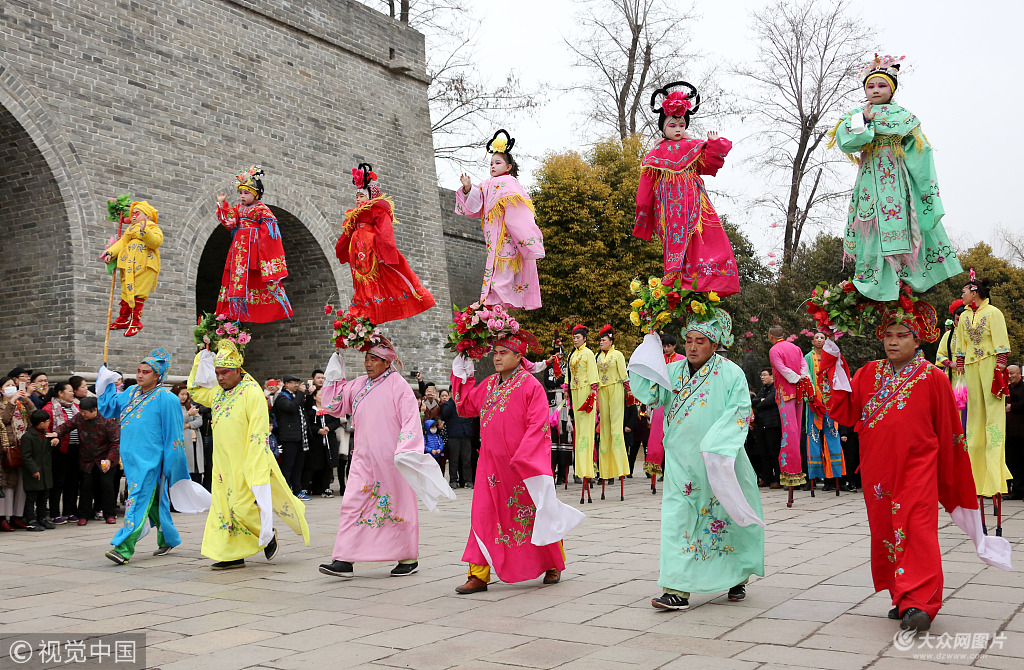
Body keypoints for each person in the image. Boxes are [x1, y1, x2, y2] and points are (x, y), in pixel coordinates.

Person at [823, 305, 1011, 632]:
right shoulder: (868, 372)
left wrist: (951, 477)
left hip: (918, 471)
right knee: (887, 532)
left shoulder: (934, 378)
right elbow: (846, 410)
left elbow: (952, 433)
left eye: (902, 335)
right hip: (878, 473)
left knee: (917, 530)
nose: (893, 342)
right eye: (888, 335)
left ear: (918, 339)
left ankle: (919, 604)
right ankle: (902, 595)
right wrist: (831, 354)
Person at [628, 312, 766, 611]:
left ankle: (736, 575)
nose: (692, 347)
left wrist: (715, 447)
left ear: (714, 344)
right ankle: (676, 588)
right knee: (677, 521)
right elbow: (648, 394)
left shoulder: (732, 374)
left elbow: (740, 413)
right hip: (680, 462)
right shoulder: (672, 371)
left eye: (700, 341)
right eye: (688, 341)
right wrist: (648, 346)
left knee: (726, 520)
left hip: (720, 461)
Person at [449, 330, 586, 594]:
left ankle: (553, 563)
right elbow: (465, 407)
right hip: (489, 466)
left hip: (520, 465)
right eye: (495, 353)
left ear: (519, 356)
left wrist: (525, 458)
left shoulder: (530, 386)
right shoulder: (488, 384)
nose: (497, 358)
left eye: (503, 353)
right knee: (482, 515)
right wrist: (463, 372)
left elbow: (538, 425)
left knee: (536, 512)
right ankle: (478, 573)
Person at [317, 339, 455, 579]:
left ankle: (407, 556)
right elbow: (333, 404)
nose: (368, 364)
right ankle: (344, 558)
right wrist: (336, 368)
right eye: (366, 359)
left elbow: (411, 420)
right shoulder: (358, 384)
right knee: (352, 503)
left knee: (396, 505)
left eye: (374, 360)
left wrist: (406, 449)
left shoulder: (398, 385)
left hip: (392, 460)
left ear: (387, 362)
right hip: (363, 458)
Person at [829, 54, 962, 301]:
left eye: (881, 85)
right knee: (871, 227)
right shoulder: (858, 114)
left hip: (897, 182)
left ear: (892, 89)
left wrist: (922, 189)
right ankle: (872, 281)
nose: (876, 90)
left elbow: (921, 152)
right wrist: (865, 122)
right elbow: (846, 143)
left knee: (903, 225)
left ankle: (904, 281)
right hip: (869, 181)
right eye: (870, 85)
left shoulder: (904, 117)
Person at [187, 341, 309, 569]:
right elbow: (194, 390)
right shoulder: (217, 394)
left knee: (240, 507)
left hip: (246, 461)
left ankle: (267, 533)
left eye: (224, 372)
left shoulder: (251, 392)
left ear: (237, 371)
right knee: (224, 510)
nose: (220, 377)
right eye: (217, 373)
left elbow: (258, 432)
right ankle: (233, 553)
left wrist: (253, 465)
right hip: (222, 464)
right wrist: (201, 358)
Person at [97, 348, 208, 564]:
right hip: (130, 458)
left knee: (137, 500)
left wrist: (172, 465)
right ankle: (169, 537)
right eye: (138, 370)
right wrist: (106, 382)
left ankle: (124, 547)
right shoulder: (130, 392)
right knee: (154, 499)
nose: (140, 375)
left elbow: (174, 436)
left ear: (157, 376)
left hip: (151, 460)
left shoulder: (167, 399)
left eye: (146, 372)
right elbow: (109, 408)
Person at [633, 81, 738, 295]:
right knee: (675, 243)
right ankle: (678, 280)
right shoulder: (655, 154)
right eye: (672, 125)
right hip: (669, 208)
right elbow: (644, 190)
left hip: (696, 206)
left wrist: (713, 143)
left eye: (681, 125)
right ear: (663, 126)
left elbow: (709, 163)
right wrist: (644, 216)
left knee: (706, 241)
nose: (678, 129)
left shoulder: (694, 147)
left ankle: (705, 280)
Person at [455, 129, 545, 310]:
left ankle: (497, 309)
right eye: (491, 163)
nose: (493, 166)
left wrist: (526, 239)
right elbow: (476, 204)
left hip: (506, 237)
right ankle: (493, 308)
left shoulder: (509, 183)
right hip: (492, 240)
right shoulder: (487, 184)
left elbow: (519, 214)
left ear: (508, 167)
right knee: (495, 272)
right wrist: (467, 188)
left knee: (502, 275)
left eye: (498, 163)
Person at [336, 164, 435, 323]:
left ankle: (374, 310)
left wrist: (385, 252)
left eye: (361, 196)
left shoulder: (377, 209)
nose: (357, 199)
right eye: (356, 196)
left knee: (377, 280)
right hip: (358, 252)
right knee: (361, 284)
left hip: (371, 250)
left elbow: (385, 231)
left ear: (370, 197)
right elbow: (345, 235)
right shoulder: (353, 216)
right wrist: (341, 249)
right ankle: (363, 311)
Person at [955, 274, 1013, 506]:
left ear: (975, 292)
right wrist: (960, 365)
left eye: (964, 291)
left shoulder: (994, 313)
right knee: (974, 421)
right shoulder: (964, 316)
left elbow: (1002, 345)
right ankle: (974, 478)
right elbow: (960, 345)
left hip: (990, 366)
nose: (962, 295)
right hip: (970, 367)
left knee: (993, 419)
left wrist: (1000, 371)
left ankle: (995, 477)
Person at [214, 165, 293, 323]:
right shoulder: (238, 209)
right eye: (240, 193)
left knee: (254, 278)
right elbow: (230, 222)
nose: (242, 196)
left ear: (256, 194)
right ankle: (235, 311)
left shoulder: (262, 210)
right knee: (237, 278)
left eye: (246, 193)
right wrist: (222, 205)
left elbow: (271, 234)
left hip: (253, 249)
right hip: (239, 250)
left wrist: (264, 254)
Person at [47, 396, 119, 525]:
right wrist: (57, 434)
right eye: (82, 412)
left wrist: (109, 459)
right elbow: (66, 426)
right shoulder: (80, 418)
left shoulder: (107, 420)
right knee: (86, 487)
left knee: (107, 486)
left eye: (86, 412)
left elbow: (115, 443)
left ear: (95, 410)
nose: (83, 414)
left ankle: (110, 514)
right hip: (87, 459)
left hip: (105, 459)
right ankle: (83, 515)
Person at [102, 200, 163, 337]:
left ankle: (135, 322)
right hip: (129, 267)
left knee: (138, 293)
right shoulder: (129, 230)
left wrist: (144, 231)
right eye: (133, 213)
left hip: (145, 266)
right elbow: (122, 243)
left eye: (137, 213)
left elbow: (156, 242)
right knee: (126, 292)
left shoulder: (152, 227)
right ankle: (123, 319)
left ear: (147, 216)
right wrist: (110, 253)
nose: (134, 216)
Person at [805, 332, 849, 490]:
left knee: (833, 435)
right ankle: (814, 477)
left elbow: (840, 373)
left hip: (829, 402)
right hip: (814, 403)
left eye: (822, 337)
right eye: (816, 337)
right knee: (813, 437)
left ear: (826, 341)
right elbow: (804, 377)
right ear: (812, 341)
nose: (819, 340)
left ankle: (836, 477)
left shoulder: (832, 355)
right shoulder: (807, 358)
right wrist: (809, 397)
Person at [768, 326, 809, 491]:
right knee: (796, 431)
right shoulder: (796, 348)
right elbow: (804, 366)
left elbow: (782, 369)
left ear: (771, 336)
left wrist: (794, 379)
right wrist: (801, 379)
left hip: (785, 393)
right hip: (798, 392)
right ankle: (797, 470)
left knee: (789, 431)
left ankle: (790, 470)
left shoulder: (774, 350)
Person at [645, 333, 685, 488]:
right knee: (656, 434)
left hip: (677, 400)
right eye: (664, 345)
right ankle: (656, 469)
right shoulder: (658, 360)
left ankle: (677, 470)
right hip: (661, 400)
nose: (667, 348)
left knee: (676, 434)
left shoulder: (682, 360)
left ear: (674, 346)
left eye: (669, 345)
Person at [595, 325, 631, 495]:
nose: (601, 342)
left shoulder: (618, 355)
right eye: (600, 340)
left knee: (616, 427)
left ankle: (620, 465)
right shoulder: (598, 357)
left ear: (611, 341)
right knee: (604, 429)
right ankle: (604, 469)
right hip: (602, 389)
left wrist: (629, 391)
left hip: (615, 388)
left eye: (604, 340)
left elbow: (624, 376)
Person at [42, 381, 80, 524]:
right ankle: (54, 513)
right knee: (58, 481)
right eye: (69, 391)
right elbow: (45, 429)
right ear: (60, 393)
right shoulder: (49, 408)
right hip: (59, 449)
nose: (72, 393)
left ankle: (69, 511)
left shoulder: (76, 407)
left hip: (76, 449)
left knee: (73, 481)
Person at [567, 325, 598, 494]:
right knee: (578, 430)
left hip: (586, 390)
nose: (576, 339)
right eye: (574, 337)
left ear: (585, 339)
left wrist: (593, 393)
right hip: (575, 390)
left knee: (586, 429)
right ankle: (579, 467)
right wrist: (566, 390)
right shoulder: (572, 354)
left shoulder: (588, 353)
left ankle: (588, 466)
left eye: (578, 337)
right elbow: (569, 374)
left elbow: (593, 373)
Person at [1, 377, 32, 530]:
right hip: (7, 449)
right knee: (8, 483)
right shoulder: (2, 405)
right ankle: (3, 517)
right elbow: (5, 420)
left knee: (21, 483)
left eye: (14, 385)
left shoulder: (22, 405)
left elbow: (35, 416)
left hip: (23, 447)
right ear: (1, 390)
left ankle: (17, 516)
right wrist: (12, 401)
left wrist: (26, 400)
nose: (12, 387)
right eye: (8, 386)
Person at [274, 375, 309, 499]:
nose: (296, 385)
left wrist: (306, 394)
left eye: (297, 383)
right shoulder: (282, 397)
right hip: (288, 438)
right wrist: (300, 394)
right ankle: (285, 491)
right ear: (286, 384)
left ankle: (297, 490)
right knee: (288, 466)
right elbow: (291, 407)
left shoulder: (296, 396)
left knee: (298, 467)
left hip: (300, 438)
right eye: (293, 383)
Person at [935, 299, 968, 429]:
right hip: (953, 378)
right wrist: (951, 364)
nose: (959, 323)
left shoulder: (972, 335)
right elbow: (940, 355)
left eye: (962, 319)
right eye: (957, 319)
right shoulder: (948, 335)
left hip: (971, 376)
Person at [20, 410, 54, 532]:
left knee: (43, 497)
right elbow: (25, 455)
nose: (49, 423)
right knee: (31, 497)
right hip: (33, 473)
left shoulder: (46, 434)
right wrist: (34, 469)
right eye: (47, 421)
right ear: (41, 423)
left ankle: (42, 518)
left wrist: (56, 441)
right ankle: (31, 520)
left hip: (45, 471)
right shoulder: (28, 436)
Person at [305, 385, 341, 498]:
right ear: (315, 397)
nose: (323, 397)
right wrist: (318, 430)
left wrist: (328, 428)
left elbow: (336, 421)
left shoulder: (330, 410)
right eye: (320, 395)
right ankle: (306, 487)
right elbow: (308, 425)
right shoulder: (311, 411)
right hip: (315, 442)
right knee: (313, 465)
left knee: (327, 465)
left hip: (329, 441)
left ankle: (326, 488)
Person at [750, 369, 782, 488]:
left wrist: (761, 402)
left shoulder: (776, 388)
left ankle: (778, 479)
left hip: (772, 425)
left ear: (772, 376)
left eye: (764, 375)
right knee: (763, 453)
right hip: (761, 425)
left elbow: (769, 401)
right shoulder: (763, 389)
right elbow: (754, 401)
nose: (762, 377)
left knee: (774, 453)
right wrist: (760, 400)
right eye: (761, 375)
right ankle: (766, 478)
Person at [170, 383, 204, 483]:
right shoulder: (172, 407)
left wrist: (187, 425)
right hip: (182, 442)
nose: (184, 397)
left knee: (196, 470)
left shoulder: (190, 406)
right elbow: (175, 422)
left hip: (194, 440)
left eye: (186, 394)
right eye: (182, 394)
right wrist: (188, 415)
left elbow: (199, 421)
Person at [442, 389, 473, 489]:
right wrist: (454, 402)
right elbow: (445, 415)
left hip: (465, 434)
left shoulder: (465, 403)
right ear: (451, 393)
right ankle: (453, 480)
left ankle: (468, 480)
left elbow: (471, 415)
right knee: (453, 459)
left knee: (467, 459)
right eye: (454, 392)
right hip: (454, 435)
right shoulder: (448, 404)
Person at [1006, 365, 1024, 500]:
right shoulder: (1006, 388)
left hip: (1021, 431)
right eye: (1007, 374)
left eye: (1012, 373)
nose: (1010, 376)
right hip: (1010, 432)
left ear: (1019, 374)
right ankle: (1016, 490)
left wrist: (1012, 407)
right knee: (1013, 462)